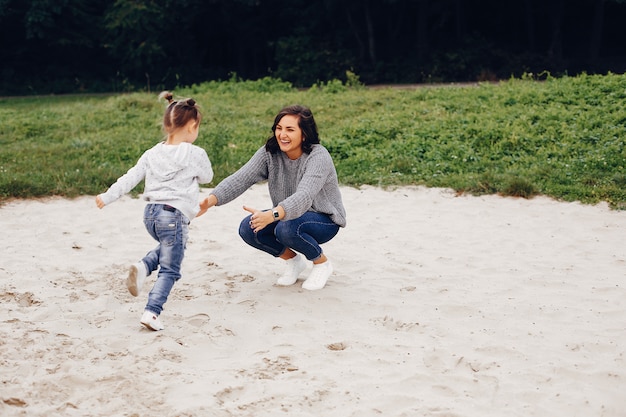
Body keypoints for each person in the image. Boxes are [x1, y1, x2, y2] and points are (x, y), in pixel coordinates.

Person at [96, 91, 213, 331]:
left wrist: (107, 197)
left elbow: (131, 178)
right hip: (174, 214)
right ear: (192, 126)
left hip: (150, 215)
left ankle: (144, 266)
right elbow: (207, 176)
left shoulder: (152, 153)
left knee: (171, 246)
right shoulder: (195, 153)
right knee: (171, 268)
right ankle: (152, 312)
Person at [198, 104, 346, 290]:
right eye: (279, 128)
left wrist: (273, 215)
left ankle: (321, 263)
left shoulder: (318, 156)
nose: (282, 134)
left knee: (286, 227)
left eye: (290, 129)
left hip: (324, 220)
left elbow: (304, 195)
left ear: (304, 134)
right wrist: (209, 202)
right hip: (287, 217)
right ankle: (294, 262)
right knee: (249, 228)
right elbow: (241, 178)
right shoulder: (270, 153)